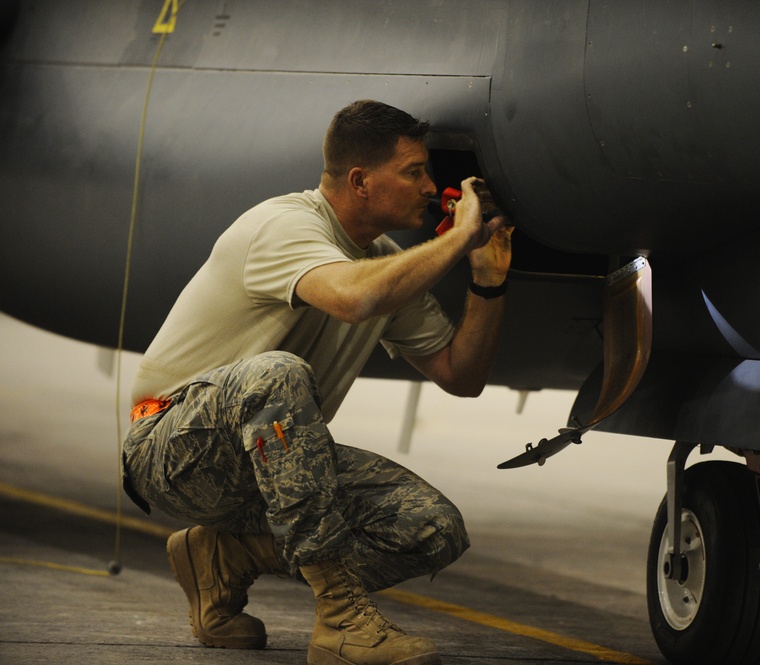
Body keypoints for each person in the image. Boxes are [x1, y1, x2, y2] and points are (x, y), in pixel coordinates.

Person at [121, 99, 513, 665]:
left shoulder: (379, 259)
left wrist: (488, 280)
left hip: (271, 464)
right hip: (173, 449)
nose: (430, 187)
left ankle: (223, 559)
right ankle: (341, 621)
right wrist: (458, 238)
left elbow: (462, 375)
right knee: (278, 372)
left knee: (432, 528)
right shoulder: (284, 226)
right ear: (360, 181)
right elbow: (355, 299)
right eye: (413, 172)